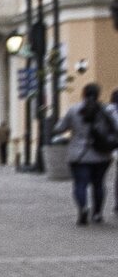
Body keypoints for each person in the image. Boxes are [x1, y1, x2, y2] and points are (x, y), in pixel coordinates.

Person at [55, 82, 118, 225]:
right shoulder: (107, 110)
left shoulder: (74, 110)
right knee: (99, 184)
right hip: (102, 153)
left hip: (79, 154)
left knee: (80, 184)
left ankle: (83, 208)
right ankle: (97, 214)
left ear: (83, 94)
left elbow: (59, 128)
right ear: (98, 94)